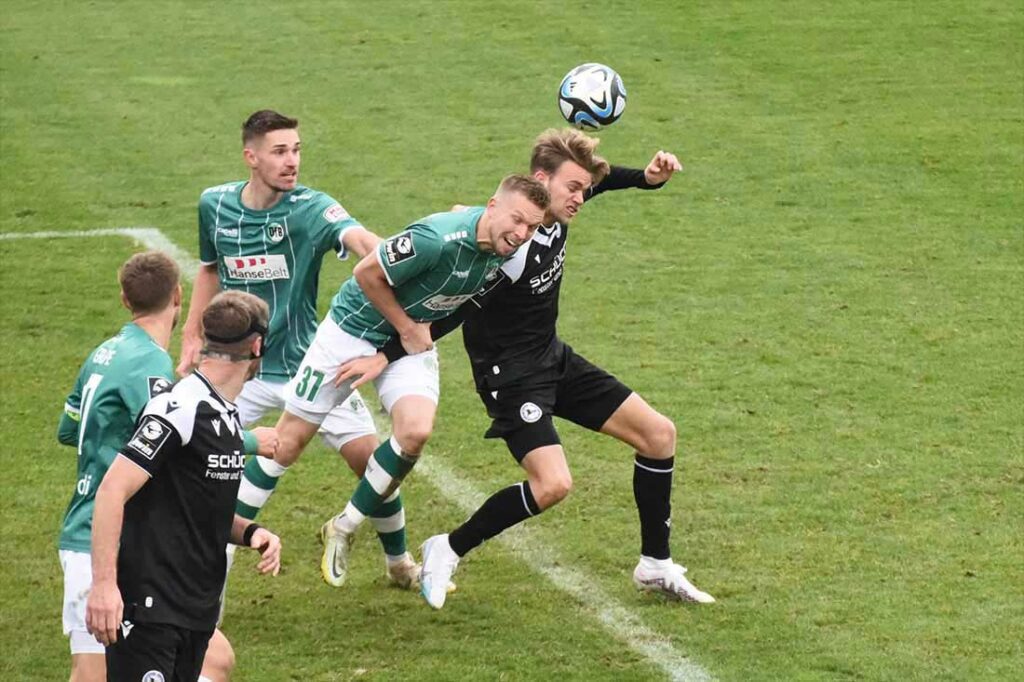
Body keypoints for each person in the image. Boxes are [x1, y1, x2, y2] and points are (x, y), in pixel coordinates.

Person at [339, 129, 715, 609]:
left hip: (552, 357)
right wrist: (387, 355)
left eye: (583, 189)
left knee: (659, 435)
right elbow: (456, 310)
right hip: (511, 379)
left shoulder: (555, 208)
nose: (582, 197)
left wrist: (646, 178)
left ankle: (655, 565)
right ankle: (448, 547)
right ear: (542, 181)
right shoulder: (508, 252)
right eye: (574, 188)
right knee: (553, 484)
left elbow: (601, 181)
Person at [175, 110, 420, 587]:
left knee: (372, 466)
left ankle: (399, 563)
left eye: (297, 150)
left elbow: (357, 236)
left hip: (309, 368)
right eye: (280, 151)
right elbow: (208, 268)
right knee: (185, 459)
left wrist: (394, 255)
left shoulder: (311, 208)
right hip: (235, 373)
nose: (292, 161)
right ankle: (190, 574)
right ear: (251, 157)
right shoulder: (215, 205)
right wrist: (190, 334)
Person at [271, 174, 549, 588]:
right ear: (493, 205)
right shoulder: (435, 240)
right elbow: (367, 273)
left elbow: (458, 307)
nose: (522, 233)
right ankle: (221, 540)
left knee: (415, 432)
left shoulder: (505, 249)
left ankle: (344, 527)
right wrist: (404, 327)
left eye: (532, 227)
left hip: (404, 343)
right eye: (518, 220)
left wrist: (389, 353)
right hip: (351, 330)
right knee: (287, 444)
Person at [56, 252, 276, 682]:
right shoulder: (176, 397)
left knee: (216, 661)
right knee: (90, 673)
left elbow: (70, 431)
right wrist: (105, 585)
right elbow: (115, 487)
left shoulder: (223, 414)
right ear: (256, 346)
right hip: (138, 581)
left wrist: (252, 533)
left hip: (188, 602)